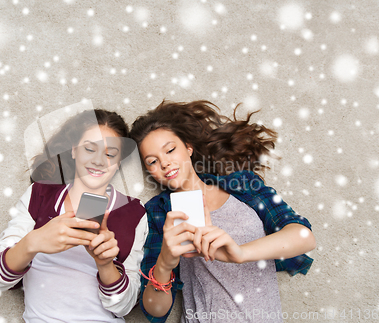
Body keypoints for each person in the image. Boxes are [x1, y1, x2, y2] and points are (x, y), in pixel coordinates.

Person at [129, 100, 316, 323]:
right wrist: (164, 263)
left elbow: (304, 237)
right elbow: (154, 311)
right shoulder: (158, 213)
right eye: (152, 161)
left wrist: (240, 253)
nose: (165, 163)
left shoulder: (244, 185)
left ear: (188, 147)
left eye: (170, 150)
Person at [0, 107, 148, 322]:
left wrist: (106, 264)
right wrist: (33, 242)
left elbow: (124, 307)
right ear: (73, 151)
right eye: (90, 149)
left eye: (110, 154)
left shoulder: (134, 212)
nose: (99, 160)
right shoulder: (40, 193)